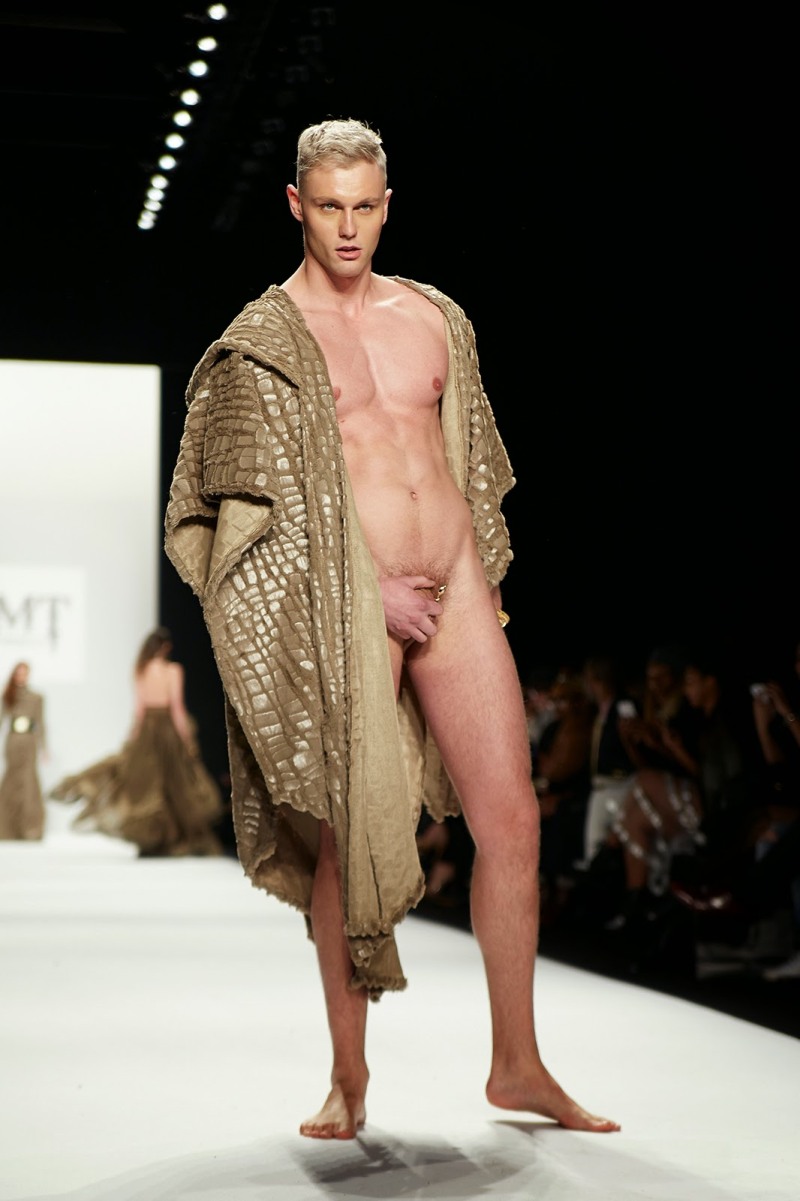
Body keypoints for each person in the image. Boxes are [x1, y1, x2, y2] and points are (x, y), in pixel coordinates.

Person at [164, 117, 619, 1138]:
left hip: (453, 584)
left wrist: (466, 574)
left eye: (364, 206)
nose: (347, 227)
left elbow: (464, 462)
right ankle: (349, 1077)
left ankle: (517, 1065)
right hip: (348, 604)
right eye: (328, 206)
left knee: (513, 822)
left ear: (386, 204)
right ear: (295, 203)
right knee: (350, 838)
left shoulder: (435, 318)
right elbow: (245, 512)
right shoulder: (263, 341)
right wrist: (369, 591)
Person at [51, 628, 223, 857]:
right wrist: (187, 739)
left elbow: (140, 711)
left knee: (146, 787)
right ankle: (172, 842)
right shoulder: (172, 671)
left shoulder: (141, 670)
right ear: (166, 648)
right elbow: (177, 709)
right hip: (166, 731)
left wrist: (133, 739)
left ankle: (154, 842)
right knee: (174, 785)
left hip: (146, 733)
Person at [0, 661, 47, 840]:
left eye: (25, 673)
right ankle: (7, 828)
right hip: (13, 742)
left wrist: (44, 747)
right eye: (19, 673)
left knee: (28, 781)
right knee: (11, 779)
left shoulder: (36, 698)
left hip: (29, 743)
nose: (21, 677)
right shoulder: (8, 696)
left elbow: (41, 723)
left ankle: (30, 828)